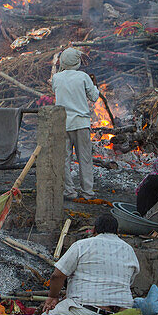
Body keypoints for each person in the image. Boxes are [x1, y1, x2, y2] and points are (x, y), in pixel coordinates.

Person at [41, 213, 139, 315]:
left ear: (94, 230)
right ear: (117, 232)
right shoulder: (129, 250)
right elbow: (128, 282)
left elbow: (57, 276)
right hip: (122, 314)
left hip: (86, 311)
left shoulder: (81, 245)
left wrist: (52, 296)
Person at [50, 47, 99, 201]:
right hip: (81, 123)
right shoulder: (83, 77)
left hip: (63, 123)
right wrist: (94, 85)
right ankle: (88, 192)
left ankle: (69, 191)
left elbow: (56, 90)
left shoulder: (57, 78)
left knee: (64, 159)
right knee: (84, 158)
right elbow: (94, 97)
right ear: (77, 61)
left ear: (63, 61)